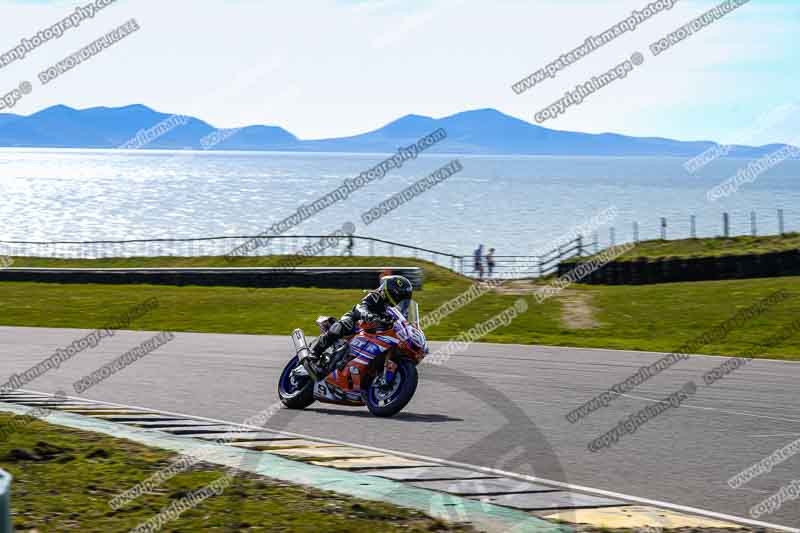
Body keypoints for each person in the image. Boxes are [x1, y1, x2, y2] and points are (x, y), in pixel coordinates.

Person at [309, 275, 414, 392]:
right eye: (399, 297)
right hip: (359, 323)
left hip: (378, 334)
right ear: (390, 292)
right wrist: (367, 314)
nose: (401, 301)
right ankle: (314, 353)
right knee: (344, 325)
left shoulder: (400, 311)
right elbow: (361, 307)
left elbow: (404, 323)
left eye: (404, 298)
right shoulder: (375, 296)